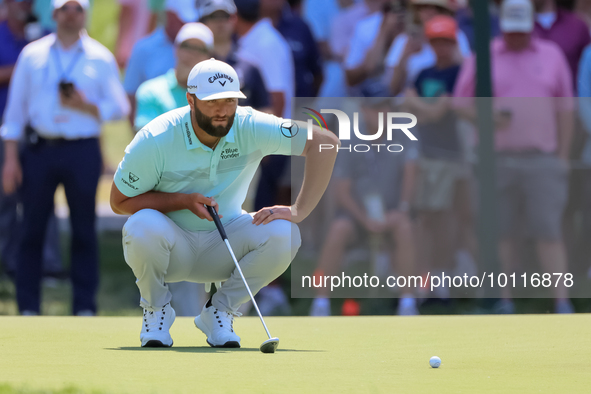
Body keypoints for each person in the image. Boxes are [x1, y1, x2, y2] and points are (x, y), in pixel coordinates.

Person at [110, 58, 339, 348]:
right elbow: (119, 201)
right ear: (191, 100)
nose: (222, 110)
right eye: (212, 101)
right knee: (140, 224)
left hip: (226, 242)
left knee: (286, 233)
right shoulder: (156, 137)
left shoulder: (251, 124)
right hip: (170, 246)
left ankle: (220, 311)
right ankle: (156, 310)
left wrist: (299, 210)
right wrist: (181, 201)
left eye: (230, 100)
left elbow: (325, 142)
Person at [1, 0, 130, 315]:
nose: (71, 15)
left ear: (85, 14)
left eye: (78, 9)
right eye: (65, 9)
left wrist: (88, 106)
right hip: (39, 149)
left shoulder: (100, 57)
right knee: (31, 228)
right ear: (55, 14)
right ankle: (28, 307)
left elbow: (121, 107)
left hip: (81, 149)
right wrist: (10, 160)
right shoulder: (33, 55)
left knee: (84, 229)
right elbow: (15, 112)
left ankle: (84, 306)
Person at [454, 0, 575, 313]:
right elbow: (460, 103)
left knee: (548, 230)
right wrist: (488, 116)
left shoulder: (551, 55)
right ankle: (503, 300)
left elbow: (565, 109)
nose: (516, 37)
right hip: (495, 161)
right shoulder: (485, 55)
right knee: (500, 232)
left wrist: (562, 155)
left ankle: (561, 302)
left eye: (521, 31)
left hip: (542, 158)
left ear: (530, 26)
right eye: (511, 31)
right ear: (503, 26)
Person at [309, 95, 419, 317]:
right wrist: (365, 219)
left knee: (405, 227)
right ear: (364, 109)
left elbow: (411, 175)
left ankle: (408, 303)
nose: (380, 113)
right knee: (337, 231)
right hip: (357, 216)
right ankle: (320, 302)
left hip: (392, 213)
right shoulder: (349, 140)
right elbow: (341, 191)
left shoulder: (404, 134)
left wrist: (402, 209)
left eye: (385, 107)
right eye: (375, 107)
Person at [134, 23, 215, 316]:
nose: (191, 54)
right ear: (175, 49)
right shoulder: (151, 91)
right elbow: (146, 144)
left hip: (204, 190)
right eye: (186, 47)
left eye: (199, 49)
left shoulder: (215, 98)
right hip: (162, 191)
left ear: (208, 56)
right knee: (167, 265)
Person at [403, 15, 476, 295]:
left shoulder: (461, 73)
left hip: (454, 155)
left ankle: (445, 277)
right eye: (436, 41)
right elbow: (412, 108)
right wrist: (427, 108)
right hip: (427, 155)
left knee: (452, 217)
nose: (441, 47)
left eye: (446, 41)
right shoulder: (424, 73)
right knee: (428, 218)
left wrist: (419, 104)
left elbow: (435, 111)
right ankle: (429, 279)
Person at [0, 0, 63, 281]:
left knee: (42, 199)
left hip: (39, 130)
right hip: (6, 128)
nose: (24, 5)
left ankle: (47, 265)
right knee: (6, 198)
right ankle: (7, 261)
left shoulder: (43, 37)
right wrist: (23, 70)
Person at [123, 0, 198, 125]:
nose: (186, 25)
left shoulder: (200, 46)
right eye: (181, 20)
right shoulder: (143, 49)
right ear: (169, 15)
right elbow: (130, 97)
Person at [386, 0, 472, 97]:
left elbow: (466, 76)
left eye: (436, 8)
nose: (430, 11)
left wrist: (451, 47)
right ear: (417, 11)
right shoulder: (404, 40)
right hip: (410, 103)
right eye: (424, 7)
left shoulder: (457, 35)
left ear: (445, 11)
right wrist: (405, 55)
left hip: (448, 101)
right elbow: (392, 89)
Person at [199, 0, 271, 112]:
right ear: (203, 22)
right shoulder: (197, 66)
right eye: (214, 16)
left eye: (225, 16)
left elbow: (266, 111)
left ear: (234, 20)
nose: (220, 22)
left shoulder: (250, 66)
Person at [233, 0, 294, 118]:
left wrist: (273, 134)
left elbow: (278, 96)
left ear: (235, 16)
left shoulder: (267, 42)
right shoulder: (253, 38)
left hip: (274, 131)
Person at [261, 0, 323, 98]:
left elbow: (317, 73)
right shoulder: (246, 28)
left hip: (298, 104)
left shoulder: (300, 27)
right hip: (258, 107)